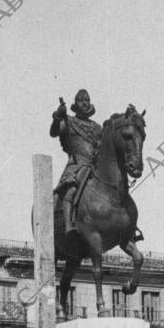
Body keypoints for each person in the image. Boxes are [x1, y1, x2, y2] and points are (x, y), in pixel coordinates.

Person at [50, 89, 102, 239]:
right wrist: (58, 117)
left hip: (95, 167)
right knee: (71, 189)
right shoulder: (69, 122)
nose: (85, 103)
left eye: (87, 100)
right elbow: (54, 132)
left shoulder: (97, 127)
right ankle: (68, 224)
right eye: (81, 100)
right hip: (76, 165)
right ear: (75, 103)